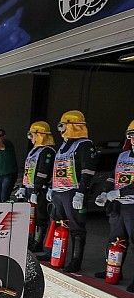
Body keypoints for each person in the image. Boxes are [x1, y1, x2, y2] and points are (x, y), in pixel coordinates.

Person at [37, 110, 97, 272]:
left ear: (73, 125)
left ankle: (75, 260)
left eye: (63, 125)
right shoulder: (64, 145)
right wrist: (52, 188)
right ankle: (53, 254)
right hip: (58, 192)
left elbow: (88, 170)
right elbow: (57, 169)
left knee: (76, 228)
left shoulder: (84, 144)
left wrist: (81, 192)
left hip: (73, 192)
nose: (61, 129)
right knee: (56, 223)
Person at [94, 120, 134, 291]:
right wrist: (105, 192)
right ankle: (112, 269)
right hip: (118, 205)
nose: (133, 139)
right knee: (115, 239)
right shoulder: (123, 155)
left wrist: (120, 193)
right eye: (131, 135)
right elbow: (113, 176)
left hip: (132, 205)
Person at [14, 122, 56, 252]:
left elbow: (43, 172)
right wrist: (22, 186)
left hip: (40, 189)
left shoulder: (47, 151)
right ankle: (30, 240)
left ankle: (38, 243)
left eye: (31, 135)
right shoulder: (34, 150)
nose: (30, 138)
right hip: (29, 188)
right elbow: (28, 169)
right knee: (30, 217)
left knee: (40, 216)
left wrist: (36, 190)